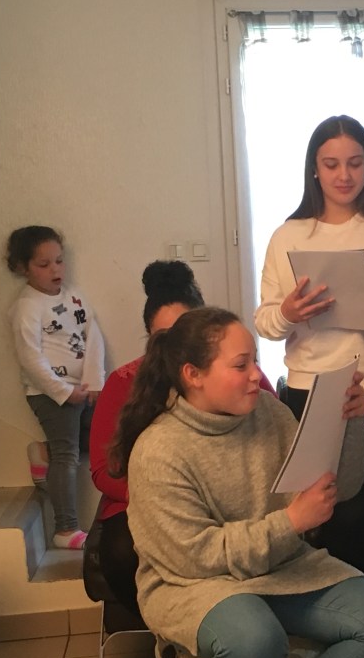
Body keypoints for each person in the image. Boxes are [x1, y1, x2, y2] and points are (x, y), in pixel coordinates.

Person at [111, 307, 364, 658]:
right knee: (256, 643)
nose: (256, 374)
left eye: (254, 360)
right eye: (241, 365)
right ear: (193, 375)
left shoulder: (269, 411)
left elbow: (345, 486)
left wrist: (352, 423)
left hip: (279, 565)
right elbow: (194, 558)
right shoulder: (159, 450)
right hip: (192, 583)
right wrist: (290, 523)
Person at [255, 115, 364, 574]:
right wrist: (291, 312)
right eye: (331, 165)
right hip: (308, 386)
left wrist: (350, 292)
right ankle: (318, 603)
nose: (344, 175)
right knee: (314, 513)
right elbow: (266, 321)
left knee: (354, 512)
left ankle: (356, 606)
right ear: (314, 168)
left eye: (355, 163)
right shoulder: (288, 234)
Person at [88, 260, 276, 615]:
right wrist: (159, 494)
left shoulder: (245, 379)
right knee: (122, 552)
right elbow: (102, 468)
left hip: (232, 500)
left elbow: (274, 434)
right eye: (163, 337)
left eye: (183, 333)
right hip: (141, 504)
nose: (175, 347)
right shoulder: (123, 382)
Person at [6, 225, 105, 550]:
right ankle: (66, 529)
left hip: (82, 389)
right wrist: (63, 392)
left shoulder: (73, 296)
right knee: (68, 455)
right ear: (23, 267)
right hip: (50, 395)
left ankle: (44, 453)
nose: (55, 270)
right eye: (44, 264)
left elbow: (92, 335)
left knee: (99, 442)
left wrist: (94, 381)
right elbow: (29, 358)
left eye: (59, 261)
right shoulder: (27, 306)